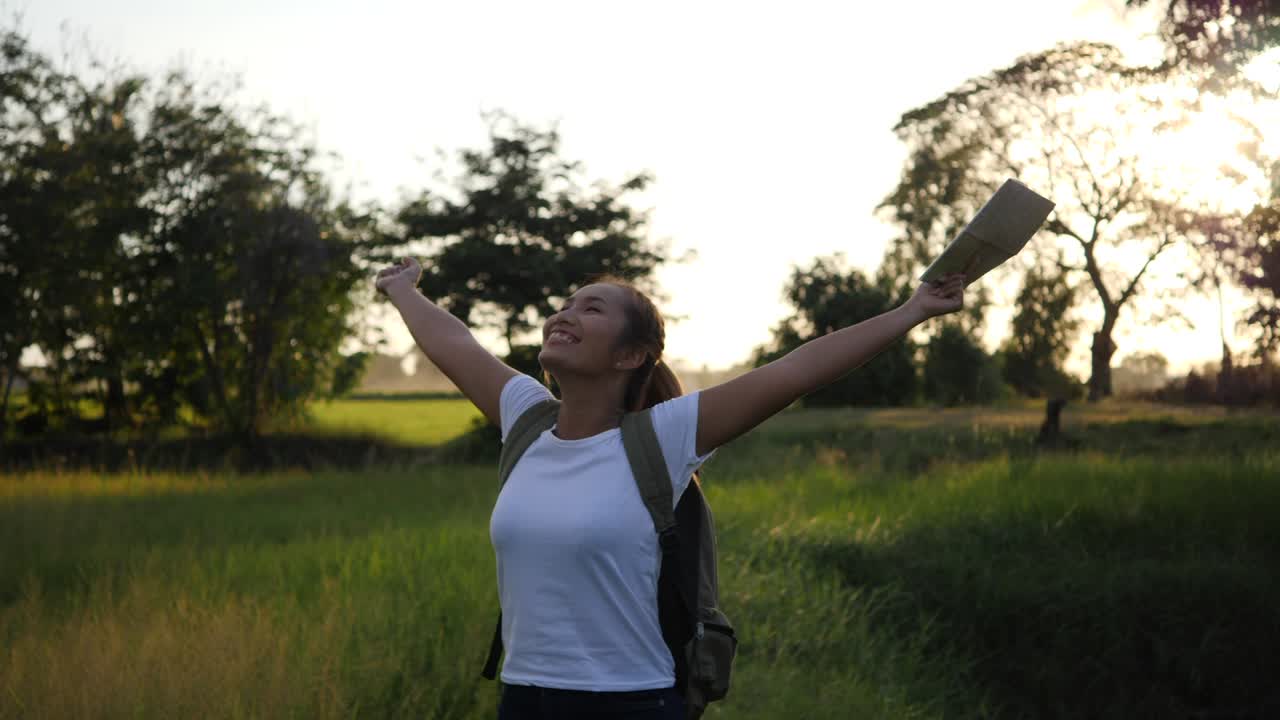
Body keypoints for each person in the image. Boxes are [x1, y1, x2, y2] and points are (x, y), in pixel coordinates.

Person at [375, 257, 966, 720]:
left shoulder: (666, 435)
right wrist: (403, 288)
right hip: (524, 696)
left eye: (592, 309)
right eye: (565, 306)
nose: (565, 314)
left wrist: (912, 310)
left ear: (631, 355)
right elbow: (454, 345)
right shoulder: (525, 418)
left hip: (628, 702)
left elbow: (798, 369)